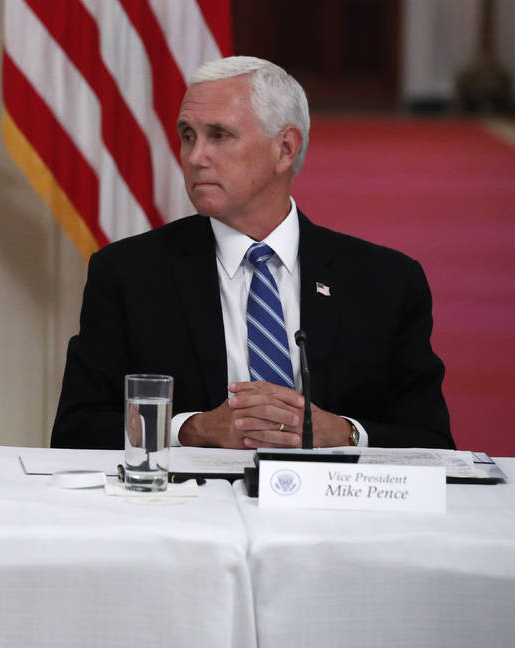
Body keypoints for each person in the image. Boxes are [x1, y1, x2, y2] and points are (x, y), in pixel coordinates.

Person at [51, 57, 453, 451]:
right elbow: (76, 431)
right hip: (187, 511)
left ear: (285, 149)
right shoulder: (128, 274)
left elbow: (430, 440)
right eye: (188, 135)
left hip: (332, 512)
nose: (195, 158)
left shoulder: (386, 283)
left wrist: (344, 433)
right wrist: (193, 429)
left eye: (219, 136)